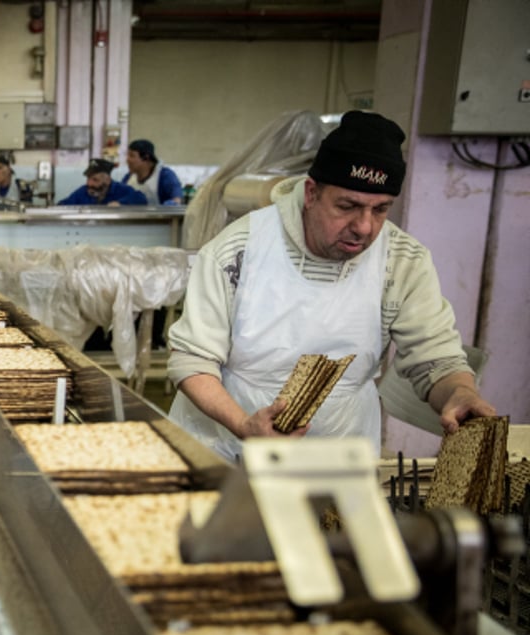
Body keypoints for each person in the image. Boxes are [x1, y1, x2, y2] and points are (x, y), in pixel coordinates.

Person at [167, 110, 495, 461]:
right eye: (348, 206)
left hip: (340, 451)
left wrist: (460, 390)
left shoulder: (402, 261)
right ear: (311, 193)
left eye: (381, 209)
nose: (365, 227)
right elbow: (193, 360)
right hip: (226, 445)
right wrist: (245, 425)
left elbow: (434, 359)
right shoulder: (238, 251)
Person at [57, 159, 147, 206]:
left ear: (107, 180)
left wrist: (120, 203)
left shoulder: (121, 190)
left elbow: (141, 199)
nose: (89, 184)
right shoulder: (83, 191)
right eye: (88, 179)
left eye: (95, 180)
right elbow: (65, 204)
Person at [121, 139, 183, 206]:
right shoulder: (128, 178)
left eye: (132, 156)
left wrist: (171, 205)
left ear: (146, 157)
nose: (127, 160)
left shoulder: (165, 176)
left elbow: (177, 200)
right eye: (127, 155)